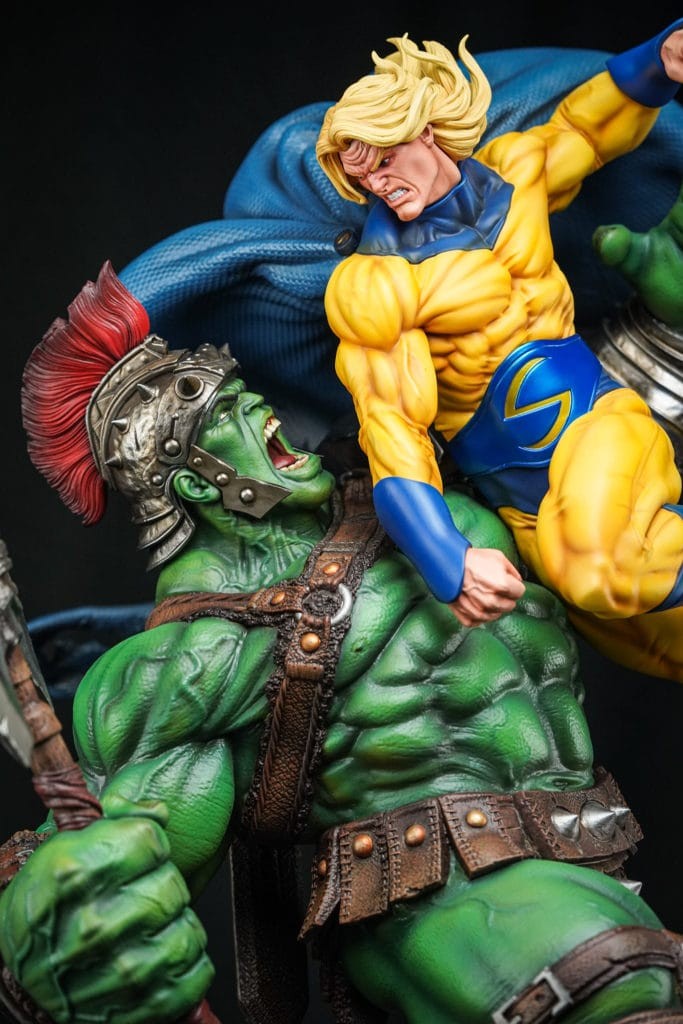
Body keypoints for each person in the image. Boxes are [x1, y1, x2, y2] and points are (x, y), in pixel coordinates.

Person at [1, 262, 683, 1024]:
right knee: (622, 995)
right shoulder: (193, 654)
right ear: (194, 481)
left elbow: (583, 448)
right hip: (441, 906)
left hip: (597, 867)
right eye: (217, 409)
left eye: (237, 388)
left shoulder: (406, 471)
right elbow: (118, 857)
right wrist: (58, 916)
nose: (254, 402)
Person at [315, 21, 683, 684]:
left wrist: (659, 59)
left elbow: (591, 126)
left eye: (384, 159)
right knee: (660, 644)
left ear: (426, 130)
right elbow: (392, 433)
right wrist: (447, 560)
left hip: (598, 426)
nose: (377, 183)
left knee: (603, 569)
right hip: (524, 506)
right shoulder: (375, 284)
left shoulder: (514, 174)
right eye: (360, 173)